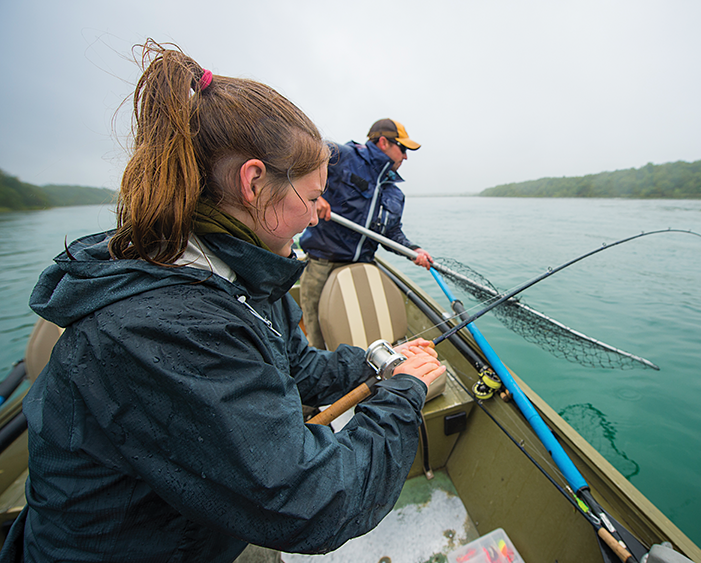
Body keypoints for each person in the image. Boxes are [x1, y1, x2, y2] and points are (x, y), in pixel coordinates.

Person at [0, 40, 445, 563]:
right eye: (310, 196)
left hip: (193, 534)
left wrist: (381, 359)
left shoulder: (245, 273)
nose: (315, 215)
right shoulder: (169, 326)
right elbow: (311, 500)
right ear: (254, 182)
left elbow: (295, 368)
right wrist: (404, 396)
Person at [297, 118, 433, 349]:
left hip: (364, 266)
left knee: (365, 331)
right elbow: (297, 154)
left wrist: (413, 250)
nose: (406, 157)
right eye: (402, 149)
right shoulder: (342, 155)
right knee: (319, 334)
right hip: (323, 264)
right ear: (383, 142)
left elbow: (391, 234)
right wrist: (312, 197)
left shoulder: (394, 192)